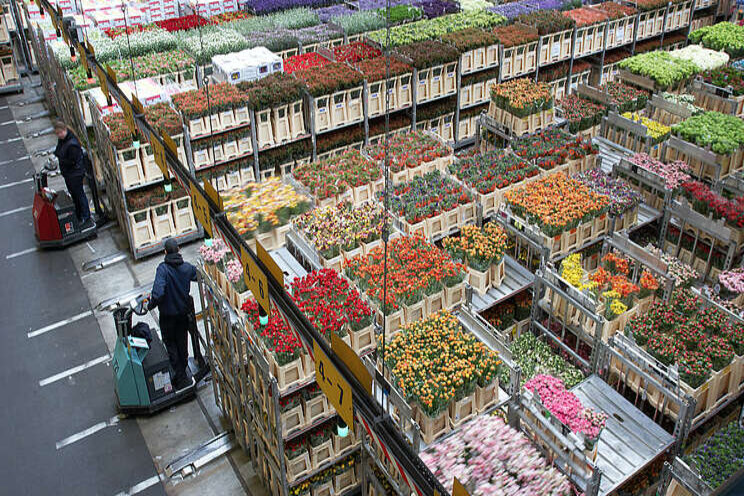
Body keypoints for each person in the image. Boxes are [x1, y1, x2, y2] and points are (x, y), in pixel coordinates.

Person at [147, 238, 197, 390]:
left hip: (167, 317)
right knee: (182, 344)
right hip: (182, 316)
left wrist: (150, 305)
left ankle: (181, 378)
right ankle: (182, 373)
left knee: (171, 345)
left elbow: (158, 293)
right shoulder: (187, 268)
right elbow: (199, 275)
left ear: (165, 252)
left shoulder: (163, 269)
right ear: (179, 249)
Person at [53, 121, 93, 227]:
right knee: (75, 195)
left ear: (65, 130)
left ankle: (85, 216)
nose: (59, 135)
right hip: (69, 174)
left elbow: (72, 161)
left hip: (75, 174)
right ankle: (80, 214)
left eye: (60, 133)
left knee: (79, 194)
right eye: (58, 134)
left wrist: (61, 159)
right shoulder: (63, 141)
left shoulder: (72, 144)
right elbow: (58, 150)